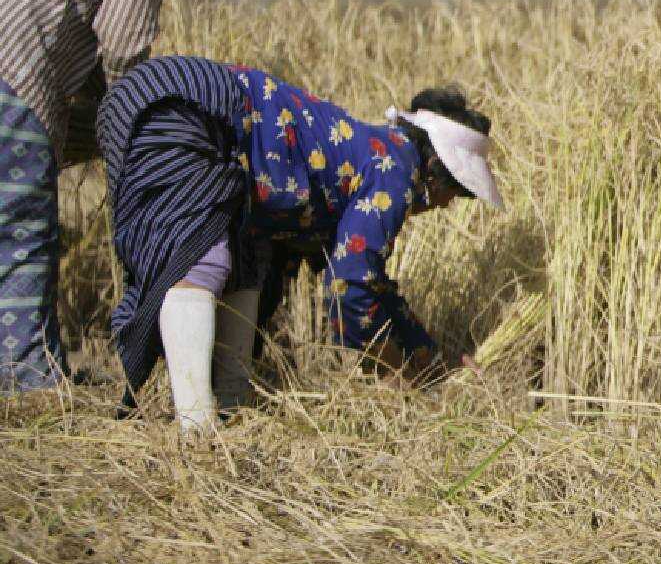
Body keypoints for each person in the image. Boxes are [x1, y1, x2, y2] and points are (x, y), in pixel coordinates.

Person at [96, 56, 501, 430]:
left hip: (144, 100)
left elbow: (373, 282)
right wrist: (394, 369)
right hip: (188, 104)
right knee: (201, 258)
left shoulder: (379, 154)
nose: (448, 206)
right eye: (457, 193)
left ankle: (232, 407)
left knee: (244, 257)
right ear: (434, 169)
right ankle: (198, 433)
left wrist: (430, 359)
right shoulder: (395, 170)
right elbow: (351, 287)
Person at [0, 0, 211, 392]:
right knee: (25, 227)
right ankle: (28, 379)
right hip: (16, 73)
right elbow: (120, 47)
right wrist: (133, 123)